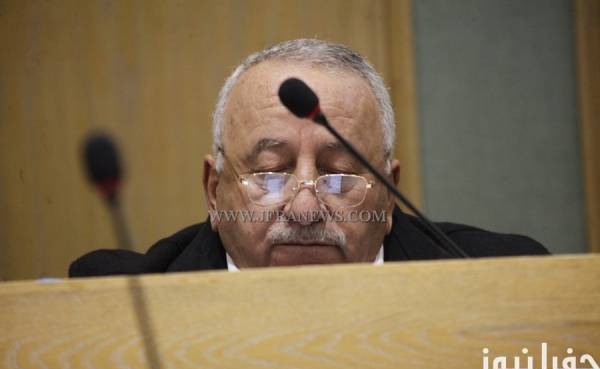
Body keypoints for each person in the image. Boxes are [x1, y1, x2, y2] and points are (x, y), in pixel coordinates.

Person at [70, 39, 548, 277]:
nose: (304, 209)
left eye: (339, 175)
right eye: (270, 173)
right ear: (214, 192)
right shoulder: (114, 300)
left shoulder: (504, 280)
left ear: (388, 195)